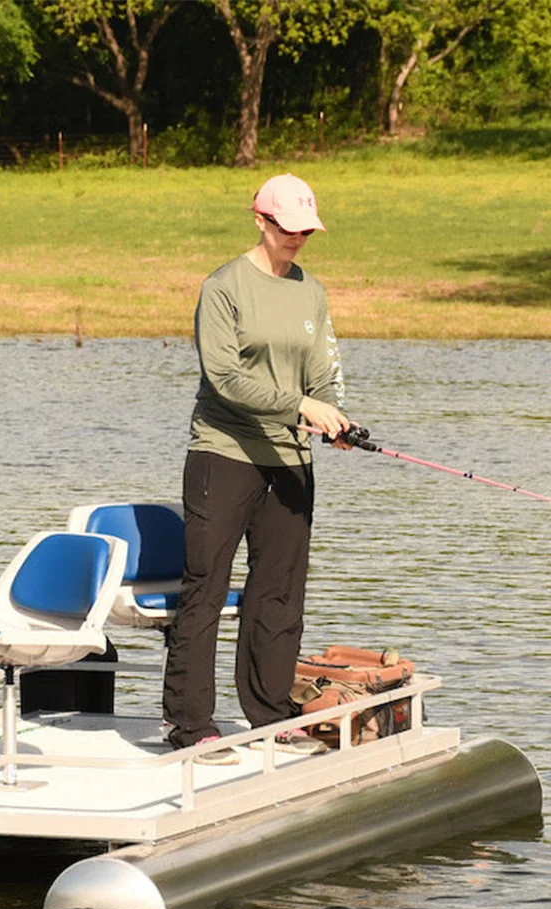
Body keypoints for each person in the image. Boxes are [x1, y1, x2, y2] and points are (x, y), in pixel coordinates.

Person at [162, 172, 350, 760]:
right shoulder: (223, 288)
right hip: (224, 455)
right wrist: (300, 405)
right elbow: (225, 377)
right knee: (206, 590)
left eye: (305, 230)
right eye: (287, 228)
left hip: (290, 461)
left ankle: (270, 714)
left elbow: (321, 370)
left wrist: (331, 416)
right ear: (261, 221)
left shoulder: (310, 292)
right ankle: (191, 726)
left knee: (279, 594)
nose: (297, 239)